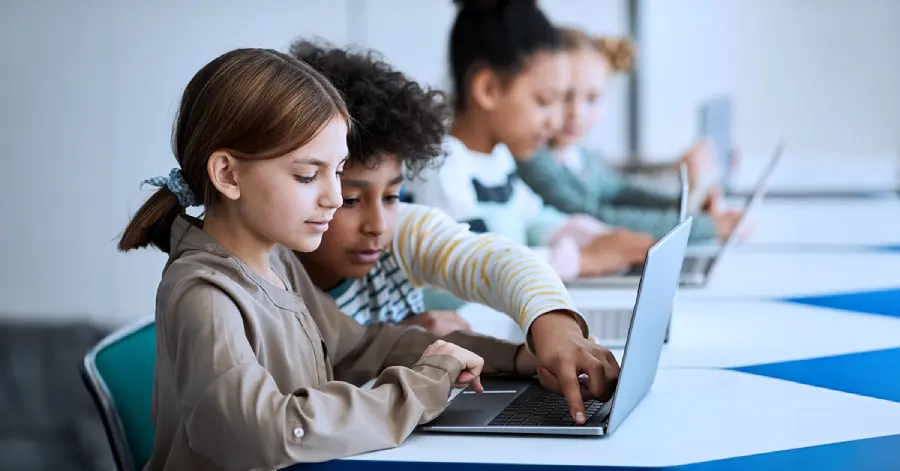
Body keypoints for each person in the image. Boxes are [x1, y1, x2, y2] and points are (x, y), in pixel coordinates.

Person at [116, 48, 613, 470]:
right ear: (227, 174)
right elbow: (262, 432)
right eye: (309, 176)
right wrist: (422, 386)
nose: (333, 198)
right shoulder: (204, 295)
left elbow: (360, 348)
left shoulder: (278, 262)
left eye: (336, 173)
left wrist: (518, 360)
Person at [289, 40, 620, 420]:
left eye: (393, 195)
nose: (378, 225)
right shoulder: (278, 274)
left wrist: (554, 329)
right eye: (350, 201)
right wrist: (410, 341)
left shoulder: (403, 232)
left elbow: (496, 261)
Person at [405, 0, 655, 283]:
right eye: (544, 101)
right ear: (489, 89)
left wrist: (599, 236)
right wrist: (582, 261)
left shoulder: (498, 159)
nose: (555, 121)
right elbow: (473, 265)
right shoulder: (443, 167)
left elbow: (535, 218)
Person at [515, 27, 743, 241]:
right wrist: (707, 227)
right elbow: (598, 220)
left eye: (592, 99)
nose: (577, 112)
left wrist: (682, 207)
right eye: (564, 96)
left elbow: (621, 191)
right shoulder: (532, 159)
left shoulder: (581, 157)